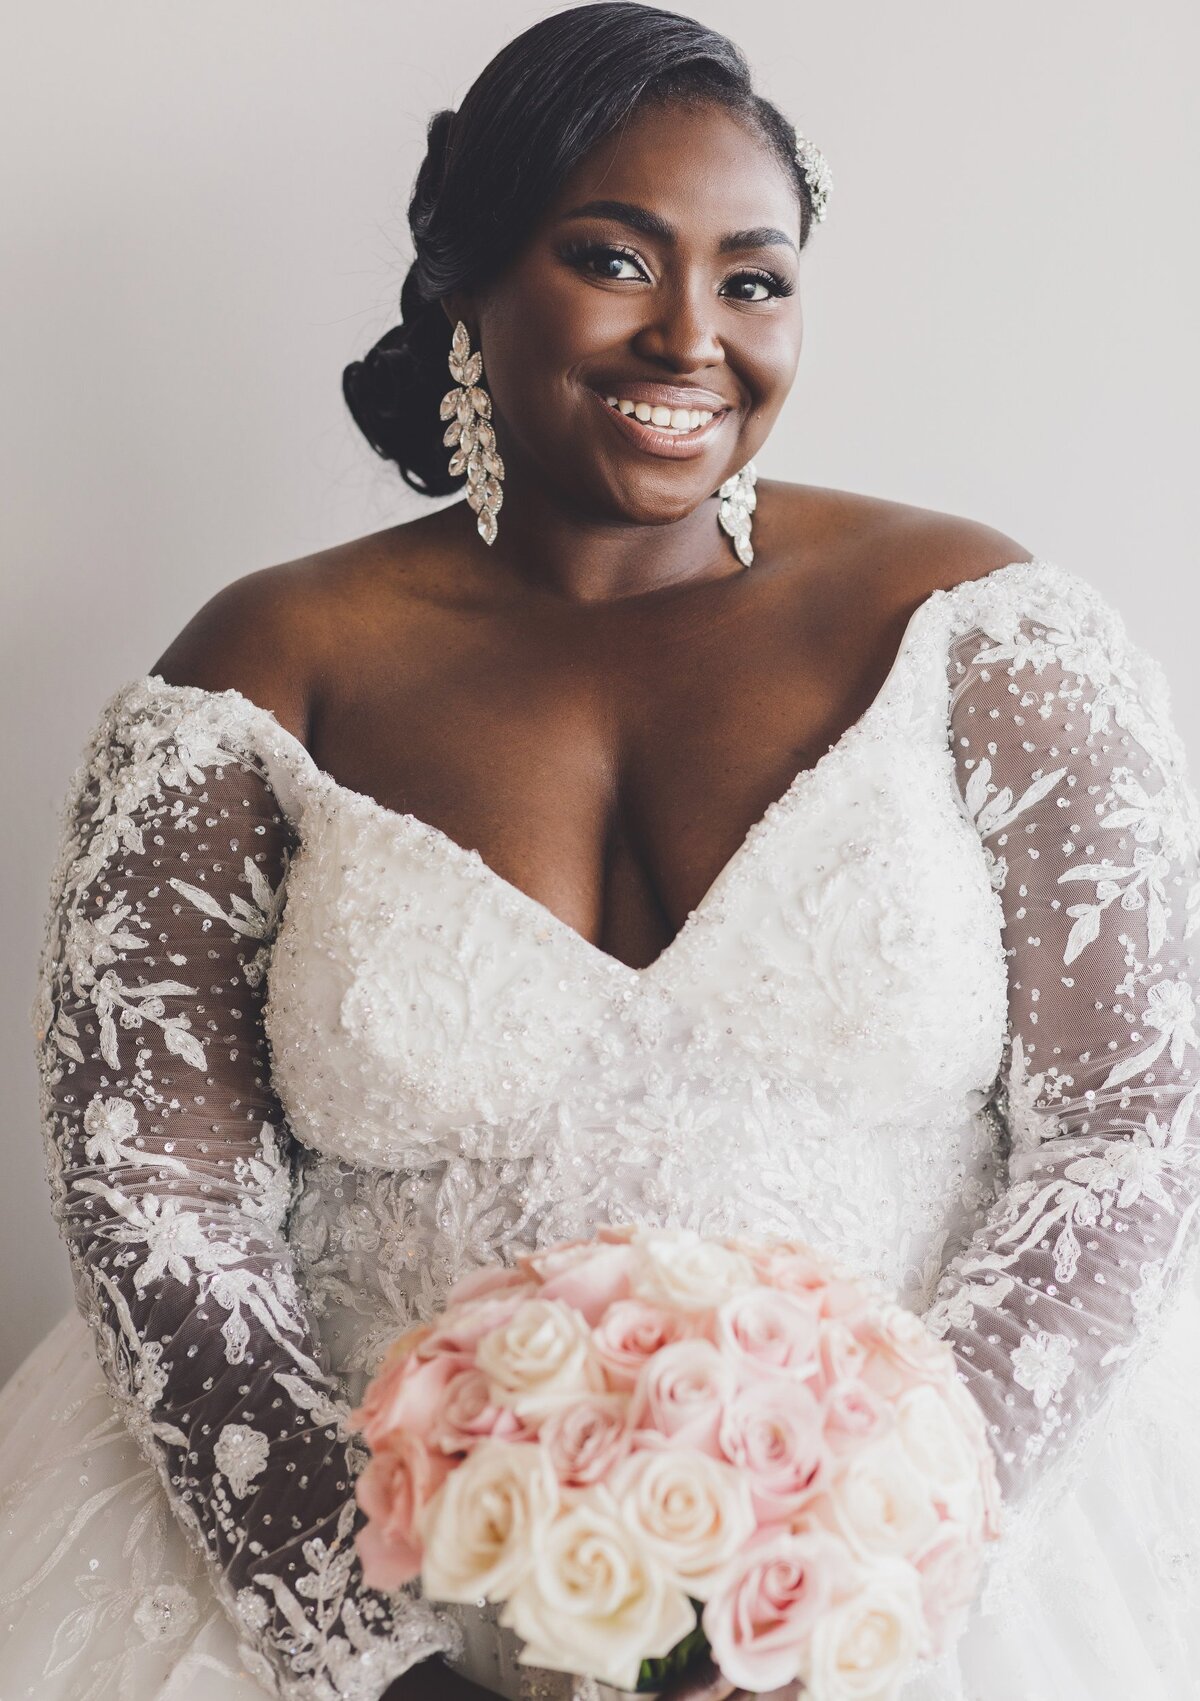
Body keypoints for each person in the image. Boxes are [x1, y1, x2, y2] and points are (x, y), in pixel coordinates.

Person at [5, 3, 1200, 1697]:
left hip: (934, 1580)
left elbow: (1125, 1131)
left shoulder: (973, 629)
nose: (692, 338)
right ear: (467, 278)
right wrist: (391, 1658)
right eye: (616, 259)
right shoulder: (256, 677)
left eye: (755, 277)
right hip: (347, 1585)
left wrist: (869, 1553)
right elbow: (158, 1209)